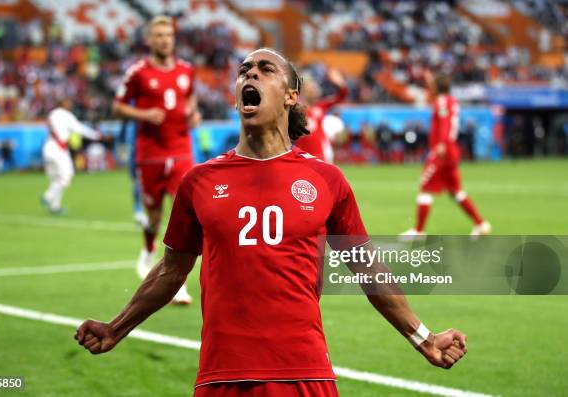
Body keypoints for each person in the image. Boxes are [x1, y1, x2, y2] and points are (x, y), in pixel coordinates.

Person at [76, 49, 467, 397]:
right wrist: (116, 328)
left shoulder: (327, 180)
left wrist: (423, 338)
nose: (250, 75)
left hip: (305, 373)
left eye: (265, 69)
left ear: (291, 95)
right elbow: (171, 269)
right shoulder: (198, 181)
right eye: (244, 70)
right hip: (221, 376)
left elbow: (369, 270)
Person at [113, 15, 201, 304]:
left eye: (169, 35)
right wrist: (144, 115)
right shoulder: (138, 73)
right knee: (153, 216)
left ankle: (178, 281)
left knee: (184, 214)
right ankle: (148, 250)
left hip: (180, 151)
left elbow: (190, 98)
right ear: (149, 40)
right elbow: (118, 107)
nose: (165, 40)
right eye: (159, 35)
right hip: (150, 154)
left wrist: (193, 114)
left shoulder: (187, 70)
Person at [402, 75, 491, 237]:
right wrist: (430, 80)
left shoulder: (442, 102)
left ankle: (418, 231)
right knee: (455, 191)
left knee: (424, 188)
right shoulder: (451, 100)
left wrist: (441, 143)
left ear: (437, 87)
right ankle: (481, 224)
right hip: (451, 150)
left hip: (442, 151)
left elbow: (444, 122)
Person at [41, 102, 102, 214]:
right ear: (63, 105)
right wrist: (96, 135)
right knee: (67, 176)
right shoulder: (65, 115)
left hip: (48, 147)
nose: (70, 105)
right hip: (58, 149)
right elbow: (79, 129)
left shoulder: (52, 114)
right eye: (68, 104)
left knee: (57, 178)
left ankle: (55, 207)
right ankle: (48, 196)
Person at [296, 68, 348, 162]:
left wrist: (340, 84)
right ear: (304, 91)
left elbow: (341, 96)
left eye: (315, 88)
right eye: (311, 88)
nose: (314, 90)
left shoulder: (321, 106)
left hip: (320, 151)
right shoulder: (296, 107)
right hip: (303, 151)